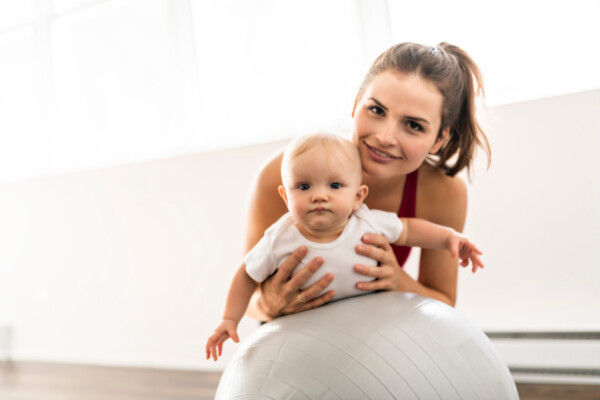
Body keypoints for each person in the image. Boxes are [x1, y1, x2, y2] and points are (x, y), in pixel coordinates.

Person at [242, 42, 491, 322]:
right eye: (376, 110)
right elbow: (249, 300)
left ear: (439, 139)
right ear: (355, 103)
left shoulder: (443, 192)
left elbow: (444, 302)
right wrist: (272, 303)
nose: (385, 137)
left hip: (370, 337)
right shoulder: (285, 174)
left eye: (413, 125)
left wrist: (398, 282)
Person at [206, 132, 483, 361]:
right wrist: (230, 319)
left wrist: (448, 238)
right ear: (285, 195)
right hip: (300, 334)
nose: (319, 196)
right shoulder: (280, 237)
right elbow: (246, 274)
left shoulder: (366, 222)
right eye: (303, 187)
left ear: (358, 197)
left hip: (364, 333)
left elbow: (410, 229)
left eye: (335, 186)